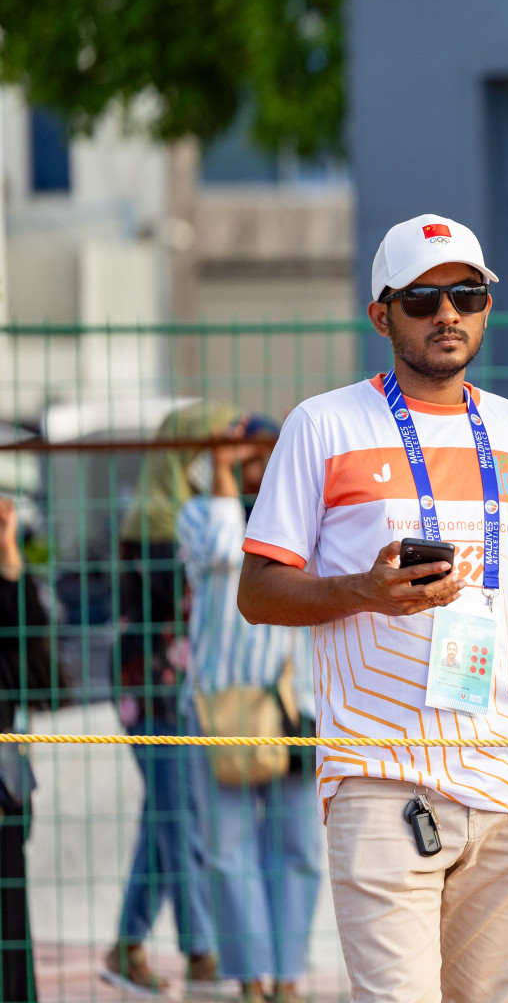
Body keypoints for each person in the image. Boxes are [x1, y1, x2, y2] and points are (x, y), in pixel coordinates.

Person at [237, 213, 508, 1003]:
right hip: (380, 776)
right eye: (422, 299)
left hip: (506, 780)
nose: (448, 314)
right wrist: (358, 591)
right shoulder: (321, 426)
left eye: (467, 295)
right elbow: (257, 591)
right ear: (381, 315)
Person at [178, 415, 321, 1003]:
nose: (257, 465)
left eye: (268, 454)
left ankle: (287, 978)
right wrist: (219, 471)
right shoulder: (204, 516)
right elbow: (216, 549)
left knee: (300, 848)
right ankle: (252, 980)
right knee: (227, 850)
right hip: (219, 708)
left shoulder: (310, 516)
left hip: (295, 706)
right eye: (245, 456)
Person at [105, 403, 231, 994]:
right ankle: (202, 954)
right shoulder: (159, 521)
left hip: (174, 686)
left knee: (166, 820)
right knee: (180, 821)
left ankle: (125, 947)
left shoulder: (186, 513)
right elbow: (190, 602)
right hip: (151, 688)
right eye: (210, 448)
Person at [0, 496, 64, 1003]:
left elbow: (37, 669)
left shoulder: (14, 586)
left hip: (4, 766)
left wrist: (9, 560)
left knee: (8, 898)